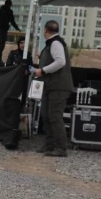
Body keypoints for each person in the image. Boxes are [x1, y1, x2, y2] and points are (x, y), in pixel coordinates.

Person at [31, 20, 74, 157]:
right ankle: (49, 144)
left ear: (45, 30)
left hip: (58, 87)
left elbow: (60, 62)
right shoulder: (53, 43)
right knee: (46, 115)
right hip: (51, 86)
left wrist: (42, 70)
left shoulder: (55, 43)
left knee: (55, 117)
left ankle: (61, 148)